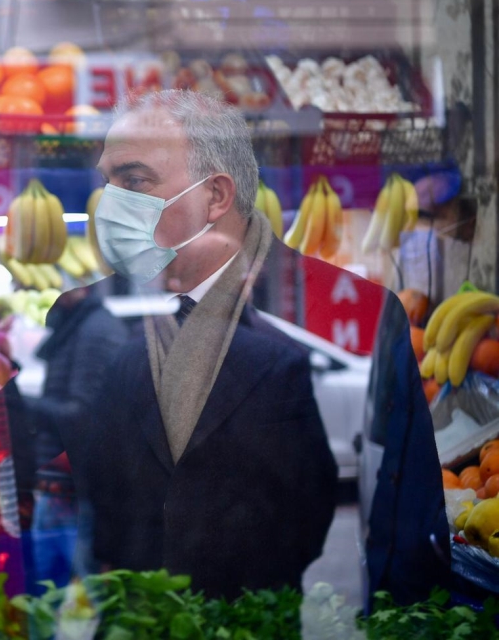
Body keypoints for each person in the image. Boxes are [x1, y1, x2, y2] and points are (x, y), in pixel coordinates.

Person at [23, 89, 447, 601]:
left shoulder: (343, 319)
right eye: (108, 182)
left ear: (216, 196)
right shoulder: (111, 326)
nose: (110, 205)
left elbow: (367, 506)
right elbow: (96, 487)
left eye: (133, 181)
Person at [25, 285, 127, 587]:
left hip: (74, 490)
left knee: (75, 593)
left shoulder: (96, 331)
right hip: (61, 485)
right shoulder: (77, 324)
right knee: (56, 591)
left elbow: (82, 417)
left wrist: (20, 403)